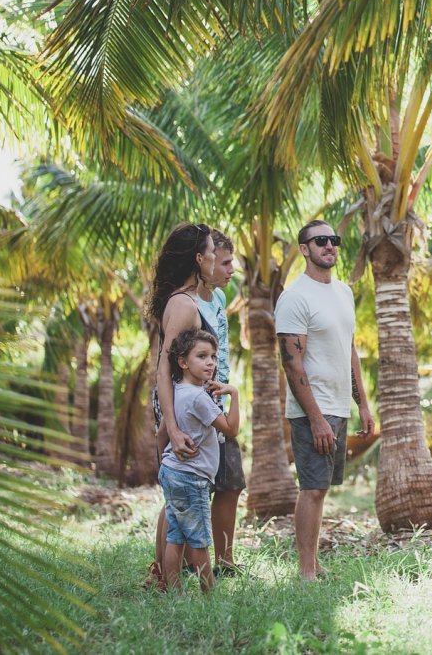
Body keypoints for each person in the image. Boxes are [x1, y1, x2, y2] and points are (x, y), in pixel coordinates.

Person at [276, 220, 376, 581]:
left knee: (322, 490)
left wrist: (362, 403)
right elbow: (292, 364)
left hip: (338, 406)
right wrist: (315, 417)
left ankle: (314, 563)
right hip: (311, 411)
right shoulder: (295, 297)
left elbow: (349, 349)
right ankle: (305, 571)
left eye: (333, 240)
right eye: (320, 241)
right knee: (312, 488)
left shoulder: (343, 293)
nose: (329, 246)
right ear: (304, 249)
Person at [144, 222, 217, 589]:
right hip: (179, 411)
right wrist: (170, 427)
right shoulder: (184, 305)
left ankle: (161, 575)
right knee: (177, 496)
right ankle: (161, 575)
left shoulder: (184, 300)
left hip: (184, 408)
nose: (217, 258)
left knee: (176, 497)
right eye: (212, 252)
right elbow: (164, 369)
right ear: (199, 259)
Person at [158, 328, 240, 593]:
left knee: (175, 538)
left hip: (172, 471)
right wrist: (234, 394)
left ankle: (175, 592)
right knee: (200, 542)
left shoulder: (177, 391)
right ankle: (209, 597)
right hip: (192, 477)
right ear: (183, 362)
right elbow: (231, 428)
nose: (211, 363)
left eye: (214, 357)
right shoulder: (199, 398)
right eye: (202, 356)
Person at [197, 230, 245, 575]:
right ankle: (170, 564)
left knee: (231, 482)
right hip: (193, 406)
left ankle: (225, 563)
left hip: (219, 402)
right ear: (205, 260)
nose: (231, 269)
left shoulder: (218, 299)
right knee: (189, 488)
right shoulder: (183, 301)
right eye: (225, 261)